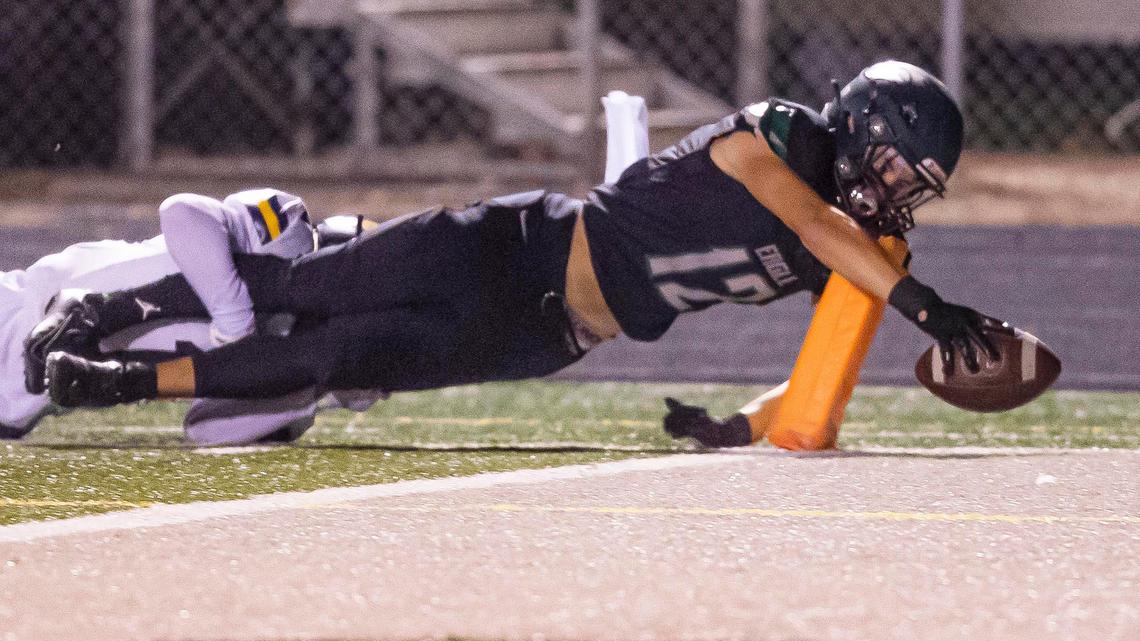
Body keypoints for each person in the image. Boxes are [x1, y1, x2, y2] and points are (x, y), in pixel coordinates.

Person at [33, 61, 1007, 449]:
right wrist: (926, 303)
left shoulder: (861, 246)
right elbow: (811, 222)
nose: (899, 191)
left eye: (915, 181)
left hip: (549, 334)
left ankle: (114, 384)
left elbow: (818, 380)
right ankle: (102, 313)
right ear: (859, 128)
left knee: (333, 360)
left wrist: (741, 427)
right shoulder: (781, 140)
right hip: (521, 245)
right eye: (896, 165)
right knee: (308, 286)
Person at [4, 187, 381, 444]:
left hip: (16, 405)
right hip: (19, 309)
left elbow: (206, 429)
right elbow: (183, 212)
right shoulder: (288, 230)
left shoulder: (298, 365)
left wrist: (313, 389)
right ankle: (95, 310)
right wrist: (238, 330)